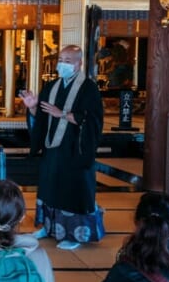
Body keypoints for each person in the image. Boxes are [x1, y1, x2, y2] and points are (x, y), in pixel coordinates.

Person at [19, 44, 105, 250]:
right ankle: (48, 228)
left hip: (76, 150)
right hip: (53, 150)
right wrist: (32, 106)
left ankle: (74, 235)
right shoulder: (51, 87)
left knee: (73, 191)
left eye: (67, 61)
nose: (62, 65)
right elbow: (41, 117)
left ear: (79, 63)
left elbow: (93, 120)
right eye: (60, 60)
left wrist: (63, 114)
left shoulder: (89, 89)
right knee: (50, 187)